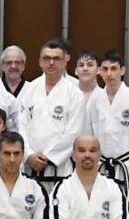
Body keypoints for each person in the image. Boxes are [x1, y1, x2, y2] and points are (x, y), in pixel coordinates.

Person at [18, 39, 85, 186]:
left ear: (64, 62)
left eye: (56, 59)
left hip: (59, 168)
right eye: (47, 58)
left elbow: (74, 132)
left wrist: (49, 157)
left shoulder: (74, 93)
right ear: (40, 62)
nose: (51, 63)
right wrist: (28, 155)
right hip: (30, 166)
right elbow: (21, 126)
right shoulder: (30, 89)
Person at [86, 51, 129, 187]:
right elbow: (88, 133)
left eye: (114, 69)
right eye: (105, 69)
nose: (109, 74)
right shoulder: (95, 99)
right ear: (99, 71)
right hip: (101, 166)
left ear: (122, 70)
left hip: (127, 166)